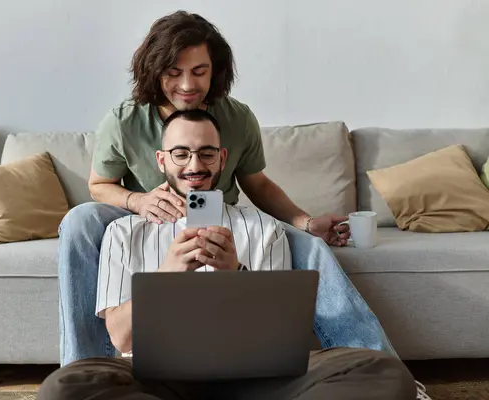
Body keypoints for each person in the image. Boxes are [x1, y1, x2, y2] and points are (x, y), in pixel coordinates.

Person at [57, 10, 431, 399]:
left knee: (311, 247)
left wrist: (301, 224)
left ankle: (385, 370)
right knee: (80, 220)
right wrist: (138, 201)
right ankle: (84, 367)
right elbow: (100, 185)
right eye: (173, 71)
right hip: (145, 210)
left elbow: (257, 183)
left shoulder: (236, 118)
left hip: (228, 211)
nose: (187, 84)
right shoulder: (125, 120)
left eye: (199, 71)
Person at [39, 109, 417, 400]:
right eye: (181, 153)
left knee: (384, 372)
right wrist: (167, 274)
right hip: (160, 381)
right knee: (66, 386)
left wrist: (234, 272)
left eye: (206, 154)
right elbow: (121, 338)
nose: (194, 165)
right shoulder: (123, 232)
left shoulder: (264, 228)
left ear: (222, 158)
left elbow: (277, 338)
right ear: (161, 160)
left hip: (257, 382)